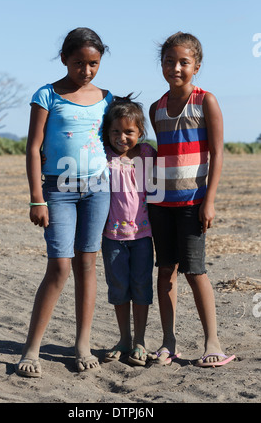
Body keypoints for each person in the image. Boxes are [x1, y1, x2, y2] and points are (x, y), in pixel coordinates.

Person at [16, 27, 113, 377]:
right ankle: (31, 348)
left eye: (93, 64)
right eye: (78, 63)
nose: (86, 71)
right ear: (64, 59)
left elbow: (116, 143)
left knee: (88, 265)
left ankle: (82, 344)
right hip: (58, 190)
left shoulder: (107, 97)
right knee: (59, 267)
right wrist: (35, 199)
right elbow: (32, 148)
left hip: (99, 189)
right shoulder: (46, 95)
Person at [147, 32, 235, 367]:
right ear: (162, 65)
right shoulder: (156, 108)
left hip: (192, 202)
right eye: (169, 61)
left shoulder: (205, 101)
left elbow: (217, 153)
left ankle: (212, 342)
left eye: (184, 62)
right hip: (160, 204)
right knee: (165, 270)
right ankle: (168, 342)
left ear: (196, 66)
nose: (176, 68)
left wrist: (208, 201)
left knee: (195, 271)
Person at [101, 95, 156, 366]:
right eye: (115, 131)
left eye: (129, 131)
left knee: (141, 287)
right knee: (119, 287)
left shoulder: (146, 154)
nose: (121, 137)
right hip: (112, 238)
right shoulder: (102, 156)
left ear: (140, 133)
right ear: (107, 132)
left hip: (143, 237)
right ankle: (124, 338)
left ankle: (140, 342)